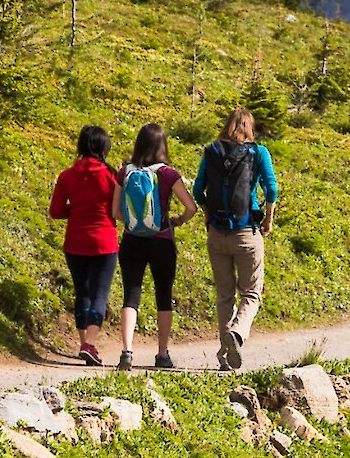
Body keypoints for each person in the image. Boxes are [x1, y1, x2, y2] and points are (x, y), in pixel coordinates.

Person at [190, 107, 279, 370]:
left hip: (217, 235)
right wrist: (269, 218)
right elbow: (271, 188)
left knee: (224, 295)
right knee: (252, 292)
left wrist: (208, 215)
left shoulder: (211, 151)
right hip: (246, 233)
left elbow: (198, 190)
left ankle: (224, 358)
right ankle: (237, 333)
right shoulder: (258, 152)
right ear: (249, 129)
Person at [115, 121, 198, 370]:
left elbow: (115, 211)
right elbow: (191, 207)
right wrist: (177, 220)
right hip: (161, 241)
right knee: (163, 296)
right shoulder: (167, 174)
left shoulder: (125, 172)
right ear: (163, 145)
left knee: (131, 296)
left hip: (131, 241)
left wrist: (133, 223)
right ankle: (162, 354)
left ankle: (127, 352)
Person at [49, 124, 121, 366]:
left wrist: (77, 209)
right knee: (100, 293)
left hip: (75, 242)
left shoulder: (67, 175)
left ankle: (84, 344)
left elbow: (56, 211)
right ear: (104, 147)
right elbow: (118, 209)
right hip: (104, 241)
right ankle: (89, 344)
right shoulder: (111, 176)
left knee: (83, 293)